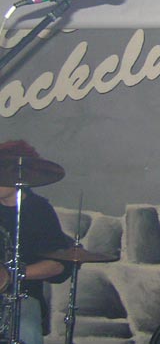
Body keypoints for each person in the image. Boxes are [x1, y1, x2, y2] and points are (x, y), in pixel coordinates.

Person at [0, 140, 72, 344]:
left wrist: (10, 276)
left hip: (22, 295)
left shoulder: (39, 211)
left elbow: (58, 264)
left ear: (19, 176)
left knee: (26, 328)